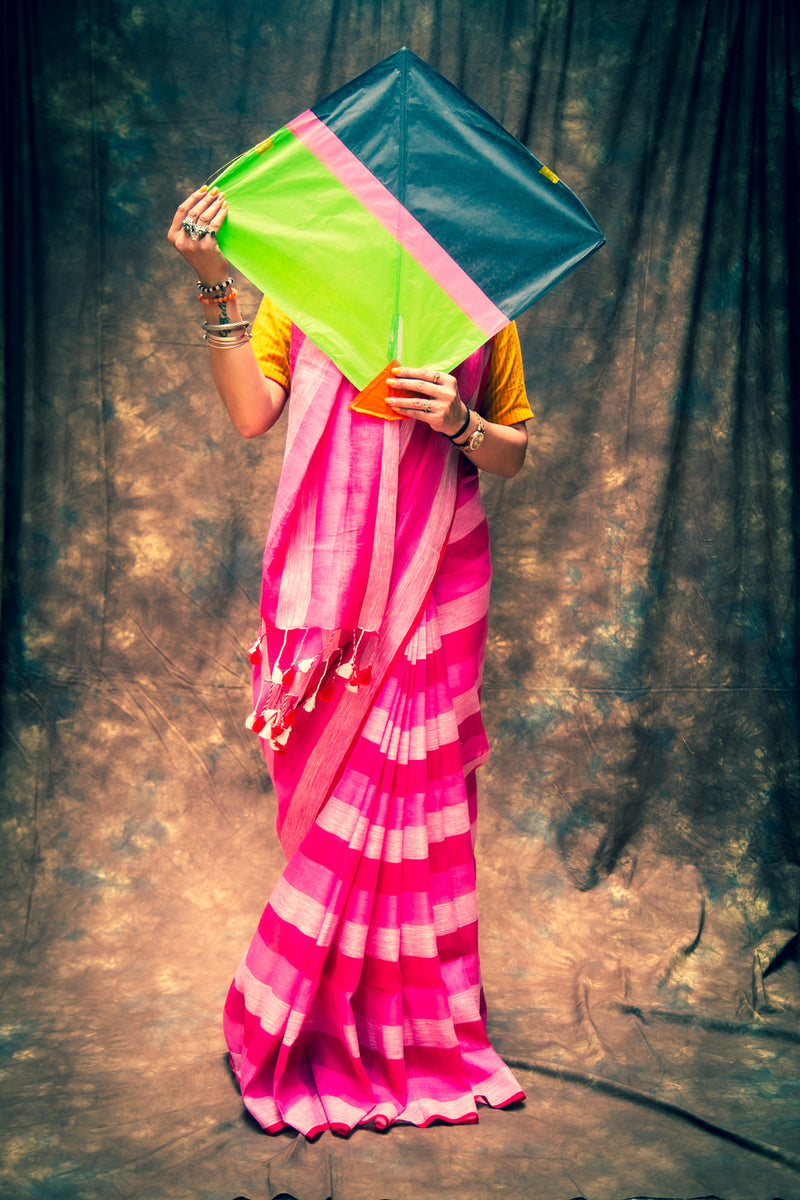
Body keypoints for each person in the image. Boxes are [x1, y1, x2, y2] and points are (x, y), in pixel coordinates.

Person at [168, 184, 532, 1137]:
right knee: (340, 810)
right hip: (332, 604)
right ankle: (304, 1019)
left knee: (418, 802)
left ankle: (416, 1031)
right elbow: (255, 413)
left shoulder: (477, 314)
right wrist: (217, 286)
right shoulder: (305, 293)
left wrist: (457, 419)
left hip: (436, 587)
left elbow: (512, 453)